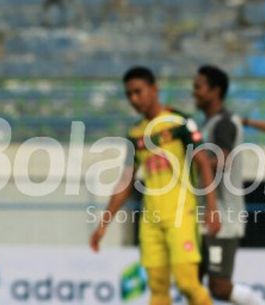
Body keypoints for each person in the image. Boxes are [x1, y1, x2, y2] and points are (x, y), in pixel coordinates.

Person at [90, 66, 220, 305]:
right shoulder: (135, 134)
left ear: (154, 89)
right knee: (157, 291)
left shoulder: (180, 123)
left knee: (188, 283)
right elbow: (126, 180)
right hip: (150, 220)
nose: (134, 99)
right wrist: (103, 223)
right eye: (129, 94)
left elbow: (203, 164)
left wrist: (211, 207)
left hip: (181, 215)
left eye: (138, 91)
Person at [193, 65, 264, 305]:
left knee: (220, 287)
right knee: (192, 282)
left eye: (199, 87)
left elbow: (222, 160)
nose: (194, 92)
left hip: (222, 219)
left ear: (216, 90)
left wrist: (192, 164)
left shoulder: (224, 123)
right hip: (205, 217)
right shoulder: (208, 124)